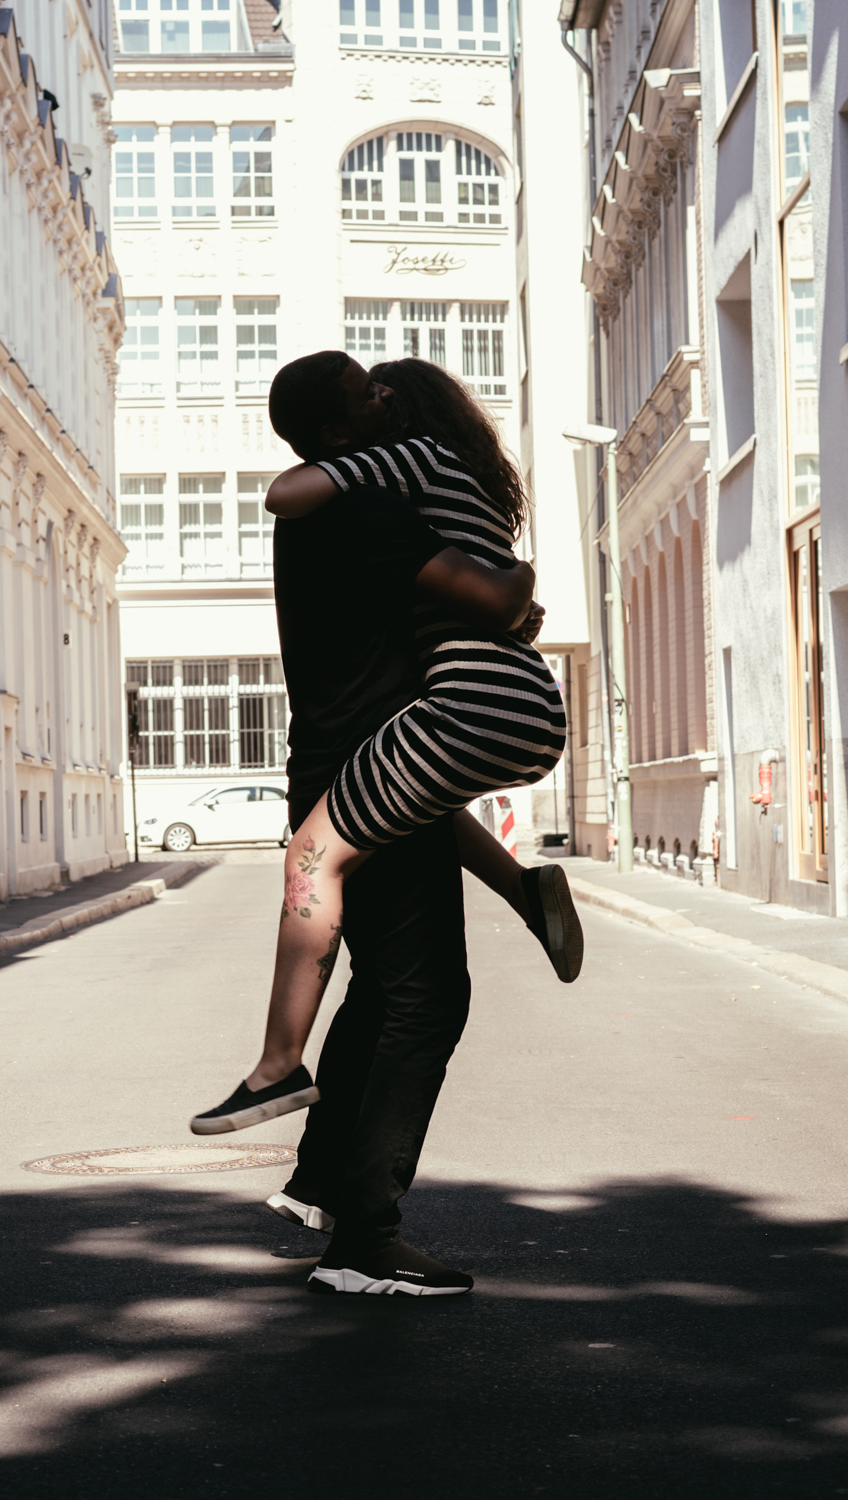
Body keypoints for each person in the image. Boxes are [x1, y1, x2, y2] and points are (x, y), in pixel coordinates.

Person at [190, 357, 580, 1151]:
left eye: (383, 388)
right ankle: (526, 889)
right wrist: (514, 587)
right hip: (508, 705)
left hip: (469, 706)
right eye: (365, 387)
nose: (382, 393)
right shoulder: (438, 488)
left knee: (312, 859)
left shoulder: (388, 485)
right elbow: (501, 601)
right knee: (407, 818)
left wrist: (512, 590)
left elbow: (284, 491)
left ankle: (278, 1065)